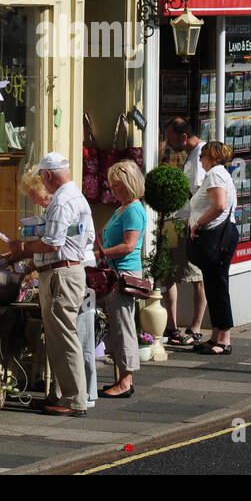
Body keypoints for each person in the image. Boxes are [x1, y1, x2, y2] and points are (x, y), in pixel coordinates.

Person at [3, 152, 93, 416]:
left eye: (43, 176)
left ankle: (74, 399)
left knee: (63, 337)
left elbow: (53, 243)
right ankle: (60, 394)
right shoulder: (74, 196)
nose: (43, 182)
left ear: (49, 175)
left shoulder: (63, 201)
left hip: (60, 275)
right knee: (58, 337)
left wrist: (23, 250)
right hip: (64, 272)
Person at [94, 160, 147, 398]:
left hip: (123, 275)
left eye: (117, 186)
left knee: (123, 327)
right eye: (111, 185)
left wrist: (100, 254)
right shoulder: (121, 208)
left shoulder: (134, 209)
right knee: (116, 326)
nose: (112, 190)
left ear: (129, 184)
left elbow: (129, 246)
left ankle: (126, 381)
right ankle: (121, 377)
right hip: (113, 274)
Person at [186, 141, 238, 355]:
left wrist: (199, 223)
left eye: (203, 156)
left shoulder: (216, 174)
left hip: (217, 237)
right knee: (214, 286)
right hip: (218, 237)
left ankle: (224, 340)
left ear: (211, 156)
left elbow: (219, 206)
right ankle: (216, 335)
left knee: (218, 287)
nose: (200, 159)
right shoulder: (217, 174)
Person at [162, 117, 208, 346]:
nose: (168, 144)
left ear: (183, 137)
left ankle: (196, 328)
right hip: (176, 219)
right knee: (169, 271)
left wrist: (193, 223)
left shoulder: (200, 156)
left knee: (196, 276)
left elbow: (200, 193)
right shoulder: (191, 154)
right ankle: (171, 326)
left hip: (188, 224)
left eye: (170, 139)